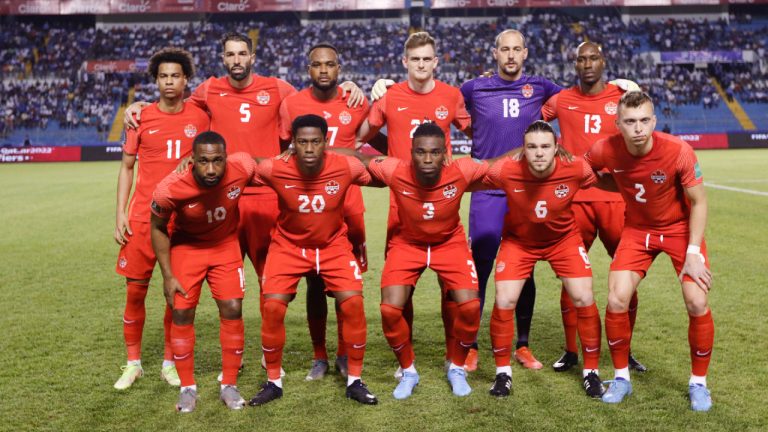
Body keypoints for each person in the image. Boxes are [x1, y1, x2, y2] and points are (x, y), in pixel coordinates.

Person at [126, 32, 362, 380]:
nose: (237, 60)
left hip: (266, 198)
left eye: (242, 54)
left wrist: (351, 85)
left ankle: (271, 363)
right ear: (223, 58)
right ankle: (230, 364)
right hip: (222, 202)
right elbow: (174, 99)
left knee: (271, 288)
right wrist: (139, 106)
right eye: (230, 54)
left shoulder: (279, 88)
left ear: (252, 57)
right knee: (227, 291)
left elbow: (314, 92)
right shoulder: (208, 90)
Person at [585, 91, 714, 411]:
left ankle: (699, 384)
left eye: (644, 120)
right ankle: (621, 378)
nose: (638, 128)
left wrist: (694, 252)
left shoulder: (678, 151)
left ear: (654, 121)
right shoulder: (605, 149)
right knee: (616, 298)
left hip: (679, 230)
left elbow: (699, 201)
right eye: (630, 122)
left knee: (697, 300)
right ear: (618, 125)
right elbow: (586, 171)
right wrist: (615, 185)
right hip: (637, 231)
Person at [360, 31, 472, 378]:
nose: (422, 65)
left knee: (451, 287)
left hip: (442, 203)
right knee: (400, 290)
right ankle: (403, 363)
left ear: (436, 62)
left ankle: (452, 357)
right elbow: (362, 135)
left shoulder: (451, 96)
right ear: (405, 62)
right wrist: (390, 160)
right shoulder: (390, 96)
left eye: (428, 59)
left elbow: (476, 132)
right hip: (401, 205)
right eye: (416, 59)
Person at [248, 115, 377, 406]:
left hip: (333, 245)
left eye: (315, 142)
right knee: (272, 307)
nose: (308, 149)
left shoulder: (344, 166)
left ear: (325, 143)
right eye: (302, 142)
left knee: (353, 303)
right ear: (292, 143)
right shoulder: (275, 168)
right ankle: (273, 382)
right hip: (289, 246)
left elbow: (382, 172)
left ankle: (355, 380)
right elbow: (241, 165)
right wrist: (191, 162)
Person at [356, 123, 485, 399]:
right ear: (411, 153)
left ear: (445, 153)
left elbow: (500, 167)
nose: (428, 159)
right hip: (408, 244)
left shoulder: (461, 170)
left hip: (449, 243)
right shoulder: (394, 169)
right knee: (390, 310)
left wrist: (527, 149)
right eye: (421, 152)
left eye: (435, 152)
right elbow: (359, 158)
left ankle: (457, 367)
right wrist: (316, 151)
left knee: (471, 306)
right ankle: (409, 370)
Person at [459, 29, 562, 370]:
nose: (511, 55)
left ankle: (522, 344)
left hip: (525, 192)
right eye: (505, 49)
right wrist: (384, 84)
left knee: (524, 267)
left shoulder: (542, 87)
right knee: (481, 267)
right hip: (487, 190)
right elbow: (440, 101)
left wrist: (620, 85)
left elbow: (579, 101)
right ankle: (471, 345)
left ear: (526, 52)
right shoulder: (474, 88)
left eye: (517, 49)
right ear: (495, 53)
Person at [542, 41, 647, 373]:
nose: (587, 64)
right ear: (574, 64)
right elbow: (531, 122)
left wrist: (637, 90)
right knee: (571, 278)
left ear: (603, 61)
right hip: (575, 202)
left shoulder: (620, 95)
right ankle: (572, 350)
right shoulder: (561, 100)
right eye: (581, 59)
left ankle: (624, 349)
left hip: (617, 200)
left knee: (626, 280)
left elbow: (643, 121)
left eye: (593, 58)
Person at [484, 120, 604, 399]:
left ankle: (591, 373)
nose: (539, 153)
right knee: (504, 300)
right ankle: (503, 374)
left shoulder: (576, 168)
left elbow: (606, 180)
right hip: (519, 243)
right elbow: (469, 178)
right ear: (522, 150)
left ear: (556, 148)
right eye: (532, 147)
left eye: (545, 147)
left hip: (563, 241)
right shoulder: (507, 169)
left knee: (584, 298)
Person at [113, 47, 210, 390]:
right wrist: (120, 213)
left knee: (176, 293)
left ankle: (169, 362)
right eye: (163, 76)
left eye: (176, 76)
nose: (170, 82)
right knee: (135, 292)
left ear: (186, 80)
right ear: (156, 80)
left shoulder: (201, 116)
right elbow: (127, 168)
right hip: (141, 219)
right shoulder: (139, 117)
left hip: (181, 221)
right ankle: (133, 363)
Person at [278, 43, 370, 381]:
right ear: (308, 69)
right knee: (314, 285)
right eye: (317, 65)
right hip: (309, 207)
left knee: (348, 288)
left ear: (339, 68)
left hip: (350, 208)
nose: (324, 70)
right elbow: (283, 152)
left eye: (330, 64)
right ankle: (320, 355)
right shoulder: (292, 104)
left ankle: (345, 353)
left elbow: (375, 141)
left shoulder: (355, 101)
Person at [150, 131, 256, 413]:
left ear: (227, 157)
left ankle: (229, 385)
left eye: (218, 160)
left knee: (233, 308)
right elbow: (157, 228)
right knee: (182, 312)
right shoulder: (169, 188)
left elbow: (263, 166)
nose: (211, 168)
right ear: (191, 160)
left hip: (225, 247)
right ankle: (187, 389)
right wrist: (168, 275)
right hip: (188, 249)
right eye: (204, 161)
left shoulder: (242, 166)